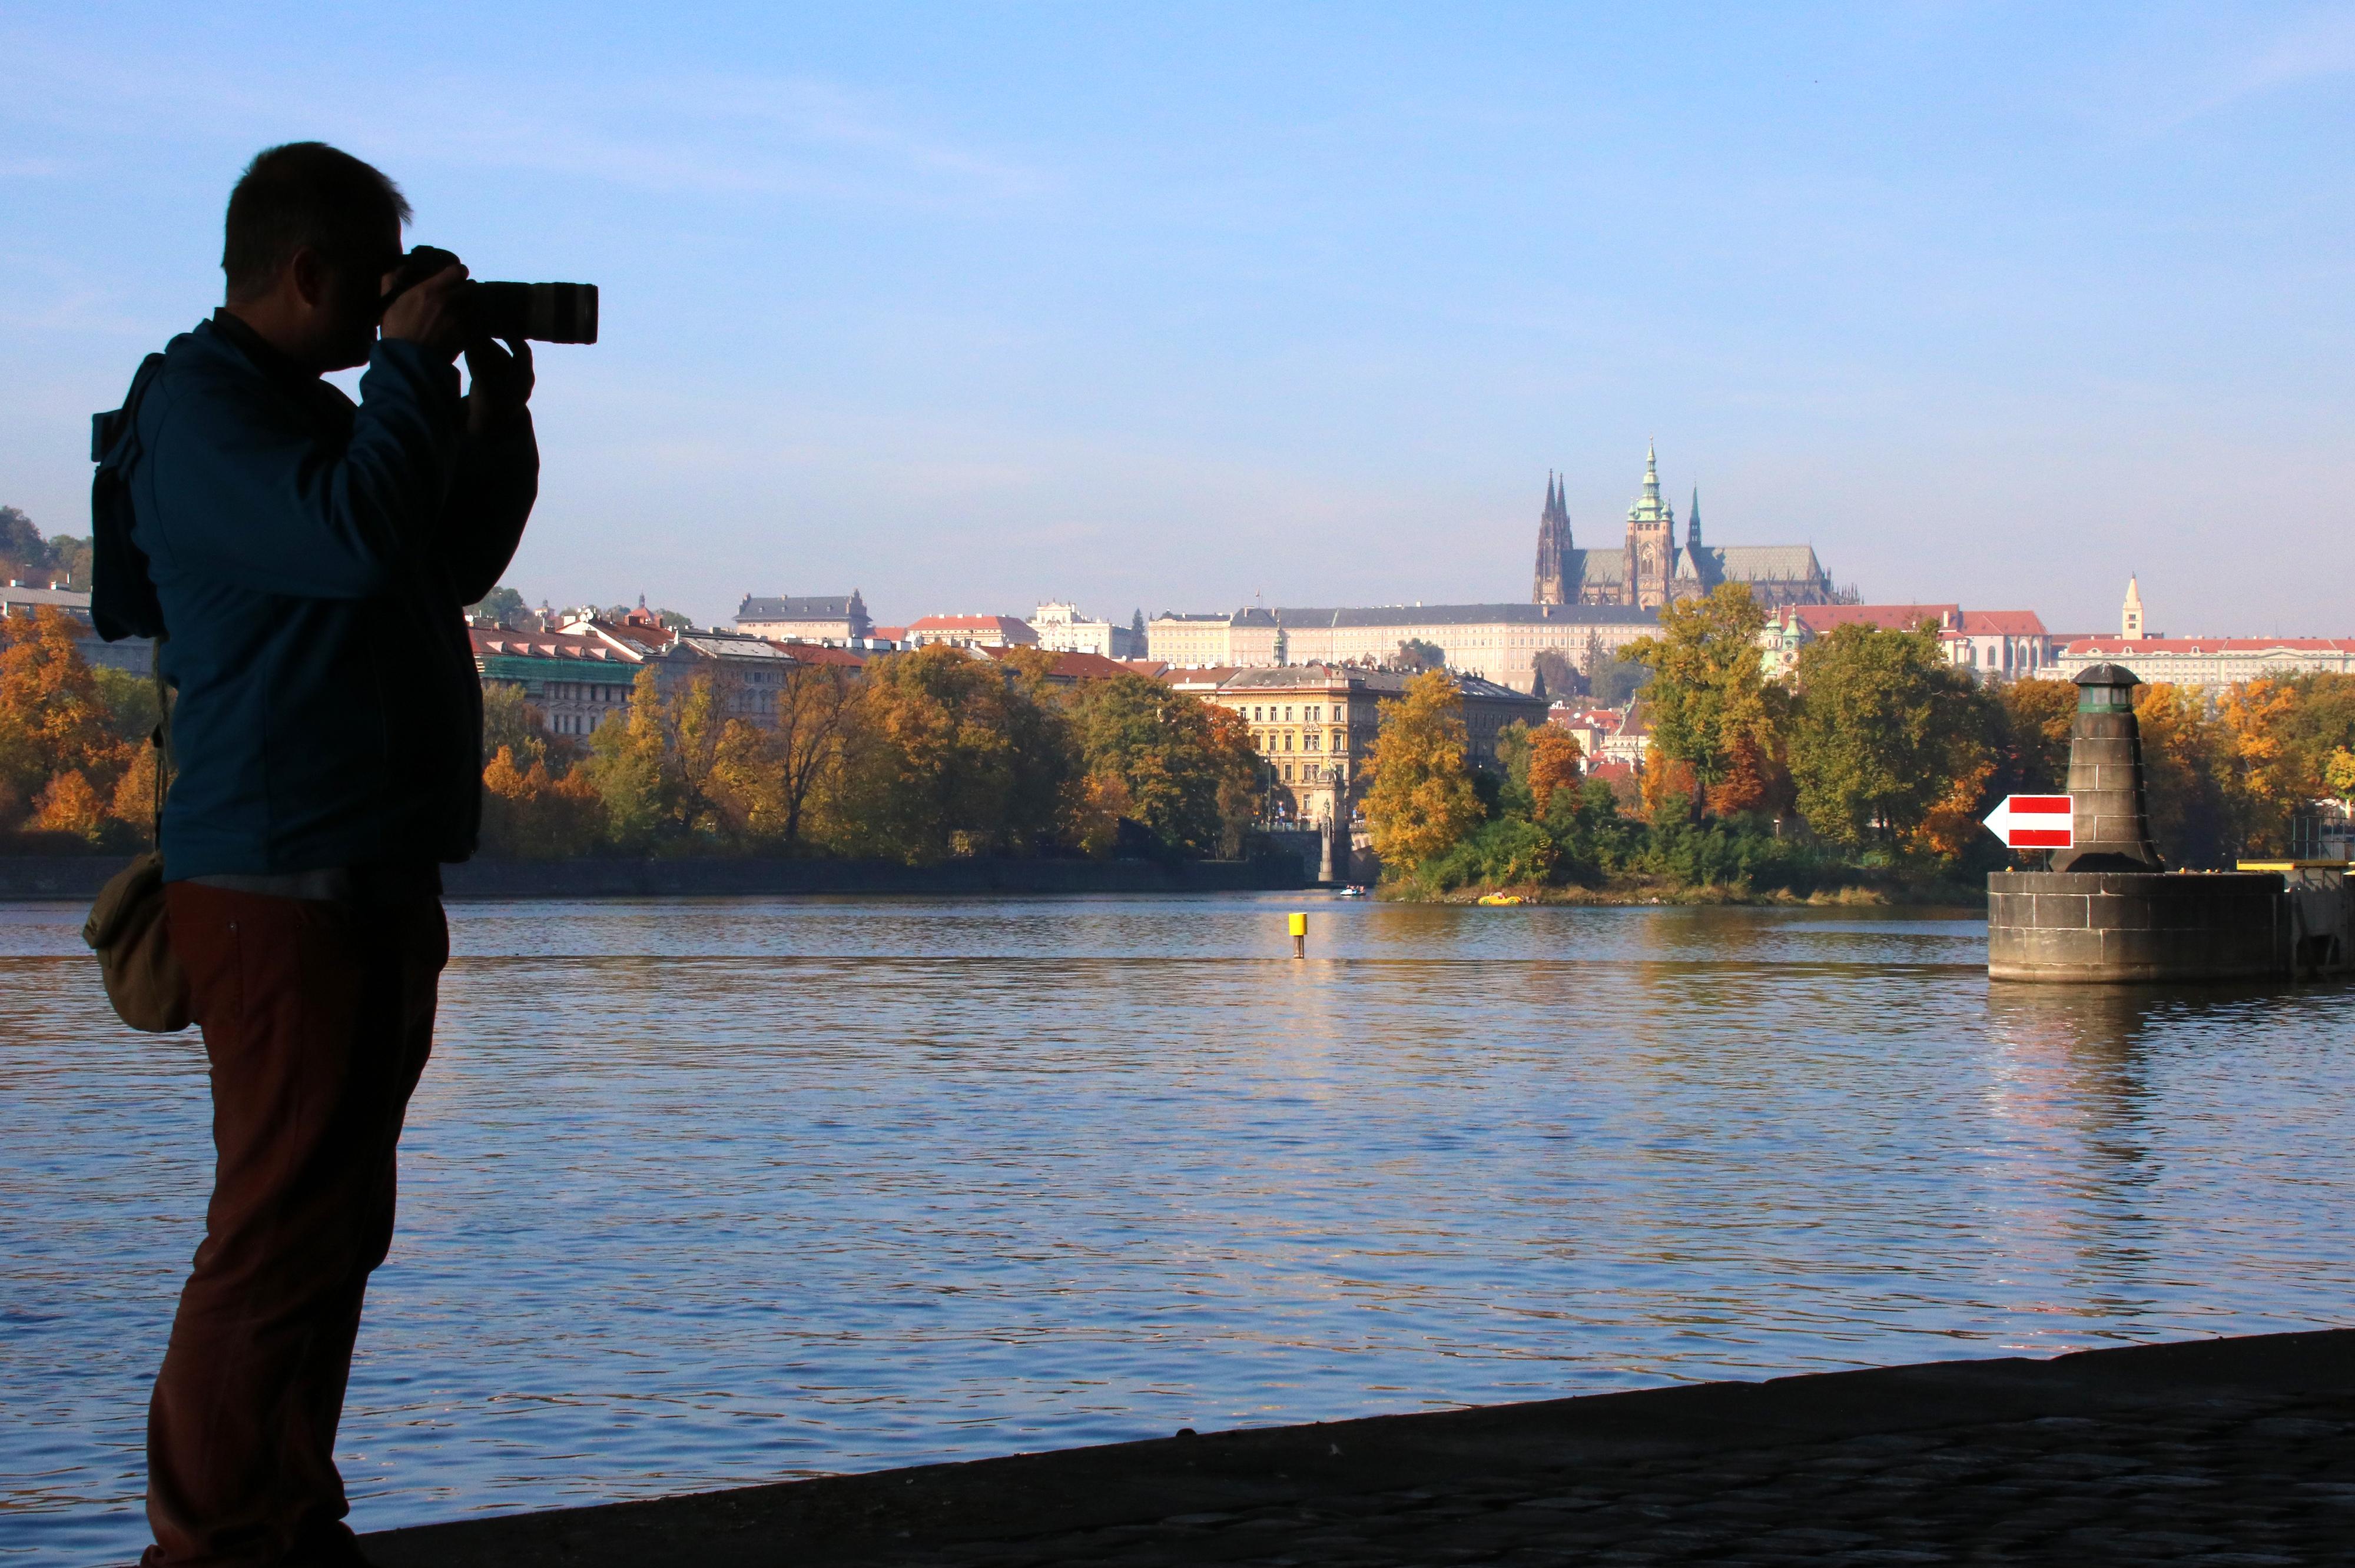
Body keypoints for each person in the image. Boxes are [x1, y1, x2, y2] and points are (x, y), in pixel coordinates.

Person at [96, 142, 539, 1568]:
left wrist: (490, 420)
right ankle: (215, 1540)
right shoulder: (208, 414)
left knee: (335, 1225)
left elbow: (437, 560)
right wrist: (409, 379)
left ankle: (283, 1509)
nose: (388, 317)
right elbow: (355, 543)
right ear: (306, 274)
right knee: (278, 1226)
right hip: (279, 880)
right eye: (377, 291)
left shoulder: (292, 413)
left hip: (358, 868)